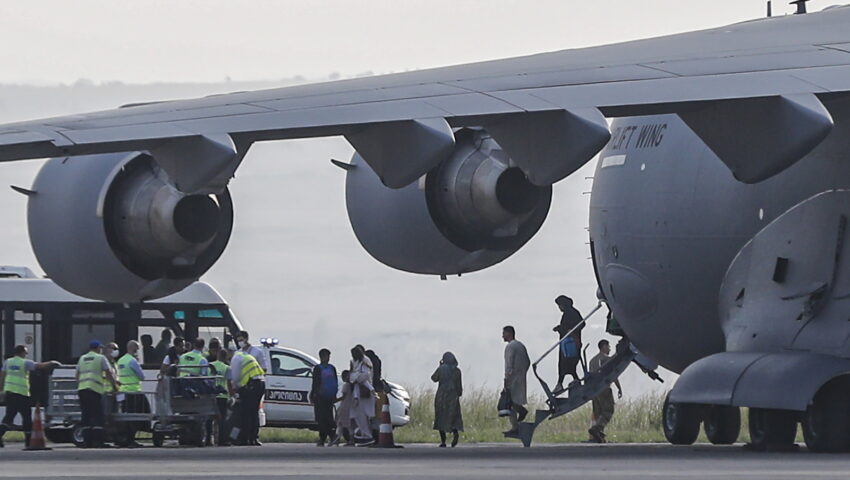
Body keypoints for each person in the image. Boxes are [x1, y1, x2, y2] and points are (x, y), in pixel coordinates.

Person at [0, 345, 58, 448]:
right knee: (26, 417)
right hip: (21, 394)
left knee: (9, 417)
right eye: (26, 352)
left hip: (9, 392)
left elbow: (2, 375)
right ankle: (28, 442)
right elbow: (39, 366)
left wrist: (2, 390)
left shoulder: (8, 362)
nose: (26, 354)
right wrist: (52, 363)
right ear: (22, 352)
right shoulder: (25, 362)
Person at [76, 340, 118, 448]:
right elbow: (108, 374)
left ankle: (87, 442)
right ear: (98, 348)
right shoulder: (100, 358)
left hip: (82, 390)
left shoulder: (82, 358)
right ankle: (98, 441)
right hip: (94, 390)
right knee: (97, 416)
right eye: (101, 348)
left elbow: (77, 375)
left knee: (85, 416)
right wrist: (114, 386)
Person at [587, 339, 623, 443]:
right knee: (608, 410)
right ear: (603, 346)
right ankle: (597, 429)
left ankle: (597, 437)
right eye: (608, 346)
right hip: (604, 388)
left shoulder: (592, 360)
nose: (609, 349)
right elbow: (613, 375)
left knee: (598, 413)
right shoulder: (607, 359)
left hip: (594, 390)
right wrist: (619, 388)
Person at [229, 349, 265, 446]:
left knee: (246, 413)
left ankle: (244, 438)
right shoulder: (244, 355)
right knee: (254, 412)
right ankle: (253, 438)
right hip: (260, 383)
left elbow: (235, 378)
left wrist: (234, 390)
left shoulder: (235, 359)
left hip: (252, 386)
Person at [116, 340, 147, 448]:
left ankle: (124, 439)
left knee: (126, 417)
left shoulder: (120, 360)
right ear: (133, 348)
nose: (138, 351)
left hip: (123, 392)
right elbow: (142, 376)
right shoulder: (132, 361)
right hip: (134, 392)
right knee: (136, 417)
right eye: (137, 349)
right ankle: (131, 440)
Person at [431, 352, 463, 448]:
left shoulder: (441, 369)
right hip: (453, 397)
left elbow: (434, 378)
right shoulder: (457, 371)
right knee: (453, 417)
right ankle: (455, 433)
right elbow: (459, 387)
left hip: (441, 396)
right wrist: (459, 393)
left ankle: (443, 442)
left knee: (441, 417)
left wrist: (440, 366)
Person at [502, 325, 530, 435]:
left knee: (510, 402)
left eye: (504, 333)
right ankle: (516, 424)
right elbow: (527, 362)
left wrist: (507, 378)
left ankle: (515, 425)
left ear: (509, 333)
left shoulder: (510, 347)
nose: (502, 336)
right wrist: (522, 372)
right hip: (521, 376)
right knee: (515, 400)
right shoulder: (520, 346)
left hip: (512, 378)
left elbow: (509, 363)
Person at [553, 295, 584, 393]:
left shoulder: (572, 313)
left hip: (571, 344)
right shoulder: (567, 314)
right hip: (567, 344)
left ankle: (560, 383)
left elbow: (581, 324)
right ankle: (572, 380)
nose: (559, 308)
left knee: (567, 363)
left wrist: (570, 330)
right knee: (566, 364)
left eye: (560, 305)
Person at [310, 348, 338, 446]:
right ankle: (330, 436)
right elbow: (335, 382)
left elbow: (315, 383)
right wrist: (334, 395)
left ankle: (325, 438)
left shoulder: (318, 368)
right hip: (329, 396)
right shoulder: (332, 368)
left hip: (320, 397)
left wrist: (312, 394)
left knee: (321, 418)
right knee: (329, 417)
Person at [348, 346, 375, 446]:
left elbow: (365, 375)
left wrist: (355, 378)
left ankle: (367, 436)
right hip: (356, 390)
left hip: (364, 390)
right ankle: (363, 434)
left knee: (363, 415)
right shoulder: (355, 362)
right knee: (356, 415)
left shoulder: (365, 361)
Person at [209, 349, 231, 446]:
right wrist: (232, 395)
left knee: (209, 419)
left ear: (217, 356)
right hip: (222, 396)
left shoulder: (210, 365)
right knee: (222, 419)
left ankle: (208, 440)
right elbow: (229, 383)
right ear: (226, 357)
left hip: (211, 395)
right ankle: (222, 440)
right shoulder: (227, 368)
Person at [333, 370, 353, 446]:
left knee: (341, 423)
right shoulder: (352, 386)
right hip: (349, 406)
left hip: (345, 406)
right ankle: (338, 439)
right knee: (346, 424)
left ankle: (339, 439)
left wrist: (336, 400)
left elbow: (343, 396)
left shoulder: (346, 385)